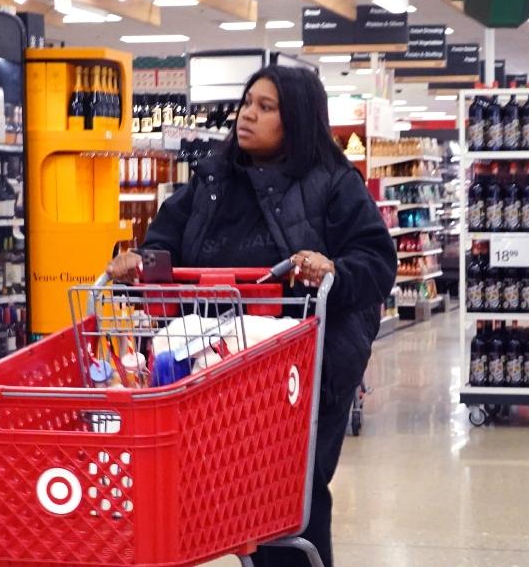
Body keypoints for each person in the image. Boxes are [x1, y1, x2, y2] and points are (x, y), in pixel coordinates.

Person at [106, 66, 397, 566]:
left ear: (298, 118)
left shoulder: (333, 182)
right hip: (215, 361)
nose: (248, 114)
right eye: (247, 103)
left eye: (266, 107)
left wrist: (332, 270)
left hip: (305, 369)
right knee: (229, 492)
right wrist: (141, 261)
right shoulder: (214, 175)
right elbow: (166, 240)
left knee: (289, 496)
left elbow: (376, 261)